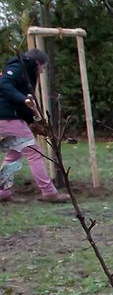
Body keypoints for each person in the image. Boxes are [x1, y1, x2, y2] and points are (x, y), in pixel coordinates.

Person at [0, 48, 69, 203]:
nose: (43, 71)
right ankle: (49, 192)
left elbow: (21, 102)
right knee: (34, 152)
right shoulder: (18, 67)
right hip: (8, 117)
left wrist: (32, 121)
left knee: (14, 154)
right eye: (43, 67)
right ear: (37, 63)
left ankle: (2, 192)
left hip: (9, 117)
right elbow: (4, 84)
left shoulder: (26, 72)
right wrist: (23, 99)